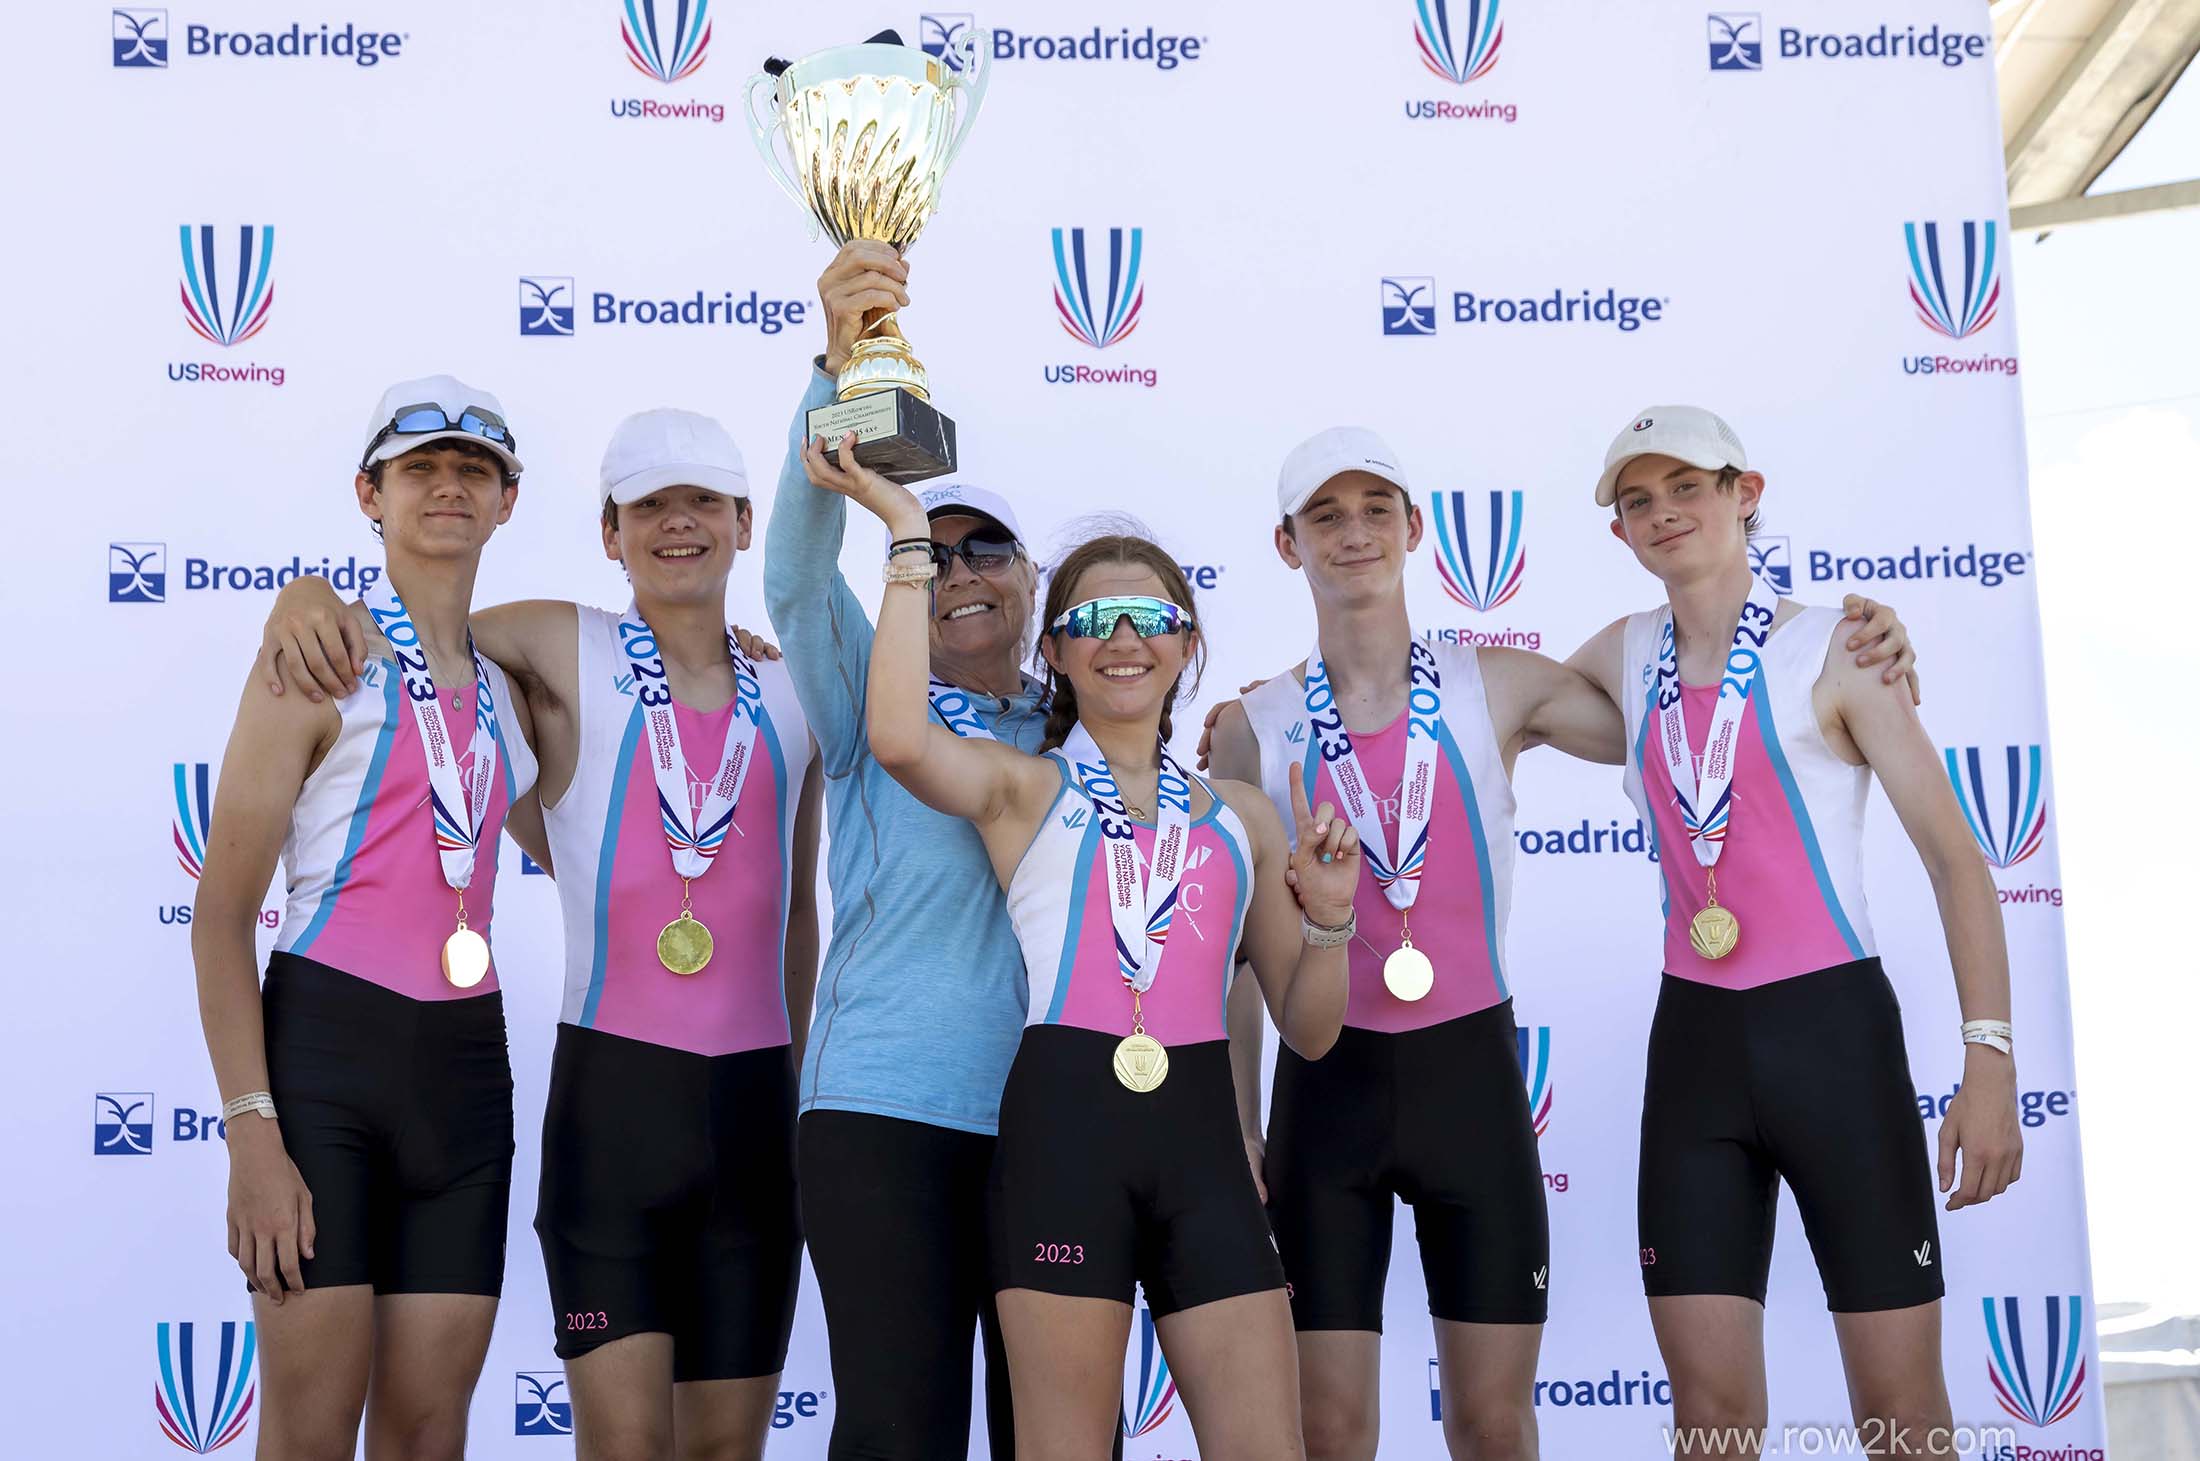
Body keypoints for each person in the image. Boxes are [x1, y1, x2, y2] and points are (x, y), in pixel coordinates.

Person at [1203, 429, 1919, 1461]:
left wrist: (1861, 643)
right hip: (1324, 1091)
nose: (1352, 534)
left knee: (1496, 1426)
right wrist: (1234, 1117)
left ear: (1413, 529)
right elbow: (1234, 955)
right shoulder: (1251, 728)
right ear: (1285, 545)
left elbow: (1694, 684)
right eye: (1324, 516)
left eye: (1374, 510)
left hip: (1472, 1088)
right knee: (1328, 1429)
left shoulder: (1499, 684)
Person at [256, 408, 825, 1459]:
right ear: (610, 534)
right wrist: (303, 598)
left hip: (754, 1113)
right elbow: (429, 629)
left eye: (702, 501)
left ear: (747, 523)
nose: (677, 524)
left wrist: (800, 1089)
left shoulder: (795, 691)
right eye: (649, 506)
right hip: (610, 1109)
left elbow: (797, 911)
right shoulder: (562, 641)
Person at [803, 423, 1365, 1456]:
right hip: (1061, 1149)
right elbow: (894, 737)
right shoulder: (1023, 788)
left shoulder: (1243, 812)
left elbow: (1313, 1030)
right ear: (1053, 646)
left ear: (1187, 641)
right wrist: (903, 543)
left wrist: (1330, 917)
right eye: (1091, 619)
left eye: (1150, 616)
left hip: (1199, 1157)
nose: (1122, 638)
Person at [1566, 406, 2022, 1459]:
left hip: (1834, 1042)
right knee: (1712, 1425)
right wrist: (1282, 702)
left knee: (1901, 1419)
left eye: (1687, 486)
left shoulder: (1839, 647)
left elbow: (1958, 861)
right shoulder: (1622, 653)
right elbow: (1465, 703)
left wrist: (1988, 1062)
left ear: (1745, 492)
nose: (1663, 512)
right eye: (1638, 500)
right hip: (1694, 1054)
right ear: (1619, 535)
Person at [763, 242, 1090, 1458]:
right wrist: (836, 368)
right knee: (899, 1433)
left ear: (1032, 584)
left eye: (984, 550)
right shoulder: (868, 698)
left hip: (1057, 1122)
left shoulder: (1082, 725)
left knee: (1054, 1437)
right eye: (933, 550)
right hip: (884, 1111)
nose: (955, 571)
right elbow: (795, 575)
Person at [193, 376, 538, 1459]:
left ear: (505, 503)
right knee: (307, 1431)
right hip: (326, 1058)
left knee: (431, 1434)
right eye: (419, 469)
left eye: (472, 471)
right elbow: (219, 918)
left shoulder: (510, 685)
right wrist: (251, 1133)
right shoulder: (315, 662)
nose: (448, 487)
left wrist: (737, 653)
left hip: (467, 1074)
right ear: (368, 495)